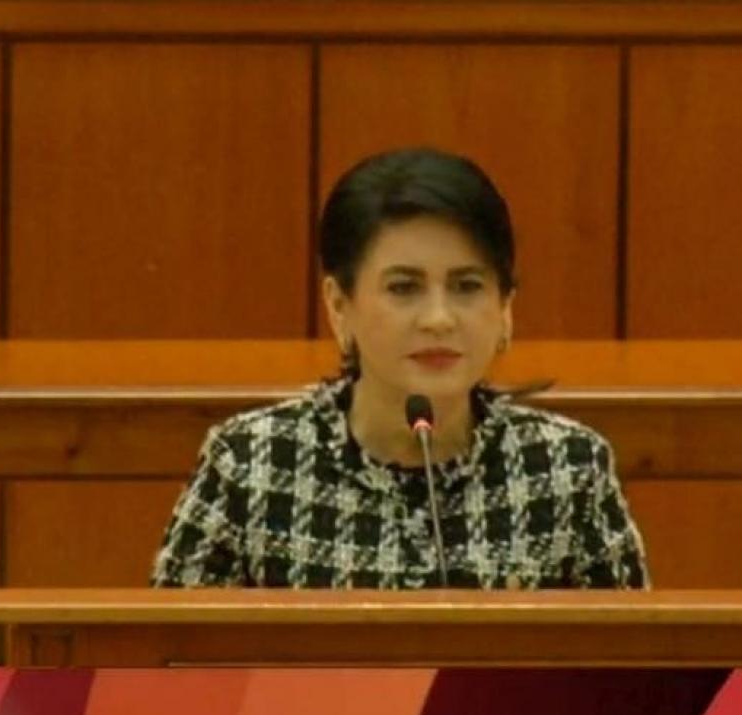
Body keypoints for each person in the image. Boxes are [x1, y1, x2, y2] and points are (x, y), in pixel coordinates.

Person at [151, 147, 648, 590]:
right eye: (404, 288)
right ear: (339, 306)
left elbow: (630, 660)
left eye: (468, 286)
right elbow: (171, 654)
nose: (438, 319)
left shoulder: (567, 468)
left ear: (505, 307)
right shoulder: (252, 463)